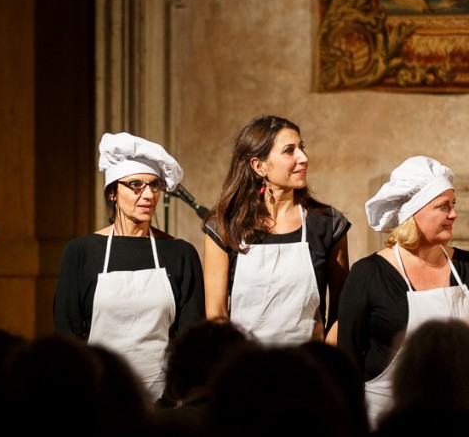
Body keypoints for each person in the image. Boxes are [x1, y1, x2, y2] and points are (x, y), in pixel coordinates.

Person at [337, 155, 469, 428]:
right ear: (413, 214)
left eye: (453, 205)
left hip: (464, 429)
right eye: (443, 207)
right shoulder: (368, 275)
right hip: (385, 430)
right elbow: (346, 362)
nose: (454, 214)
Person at [53, 131, 206, 403]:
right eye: (135, 185)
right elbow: (68, 339)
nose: (147, 195)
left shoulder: (180, 254)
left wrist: (170, 402)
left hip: (164, 402)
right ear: (112, 192)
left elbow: (190, 343)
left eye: (154, 185)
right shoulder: (81, 252)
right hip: (99, 402)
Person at [202, 114, 351, 345]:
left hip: (308, 370)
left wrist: (326, 364)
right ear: (259, 166)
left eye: (302, 148)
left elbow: (341, 312)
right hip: (243, 368)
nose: (303, 158)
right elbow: (217, 314)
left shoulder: (328, 224)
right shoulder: (223, 225)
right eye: (289, 151)